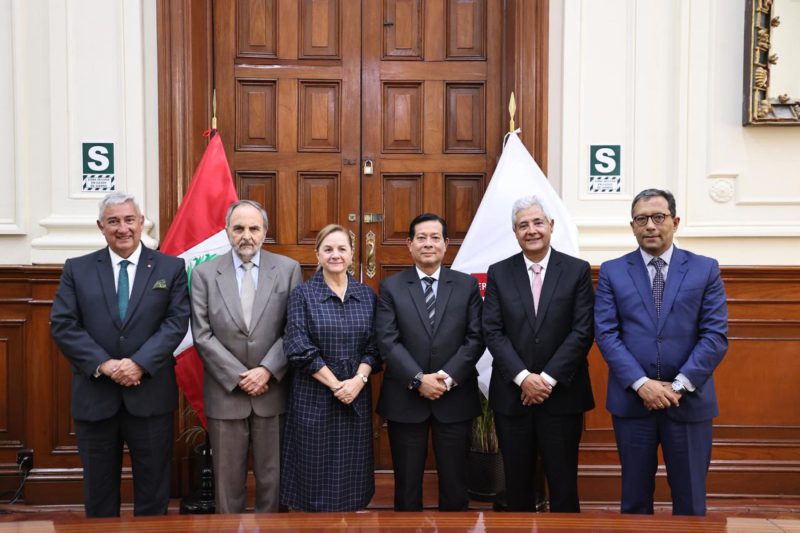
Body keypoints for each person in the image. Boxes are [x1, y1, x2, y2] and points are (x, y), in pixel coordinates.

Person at [50, 192, 190, 517]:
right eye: (113, 221)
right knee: (99, 495)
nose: (122, 228)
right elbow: (63, 325)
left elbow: (176, 323)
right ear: (101, 226)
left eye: (129, 220)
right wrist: (106, 365)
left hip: (150, 397)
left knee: (154, 494)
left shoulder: (170, 268)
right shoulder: (77, 269)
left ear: (142, 223)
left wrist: (140, 364)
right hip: (96, 397)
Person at [595, 188, 728, 516]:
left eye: (658, 217)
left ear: (675, 221)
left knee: (691, 500)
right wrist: (642, 384)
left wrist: (678, 385)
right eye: (642, 219)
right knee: (635, 500)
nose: (650, 226)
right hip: (633, 402)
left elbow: (714, 335)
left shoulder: (704, 269)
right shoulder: (613, 271)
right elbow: (607, 333)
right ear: (632, 226)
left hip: (689, 401)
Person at [482, 195, 595, 513]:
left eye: (537, 222)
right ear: (515, 232)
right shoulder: (499, 273)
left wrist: (544, 380)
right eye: (523, 225)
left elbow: (582, 331)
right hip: (513, 396)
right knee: (517, 488)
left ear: (551, 226)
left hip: (562, 396)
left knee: (563, 486)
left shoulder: (576, 271)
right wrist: (523, 379)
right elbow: (492, 331)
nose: (531, 230)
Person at [190, 199, 302, 513]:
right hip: (226, 391)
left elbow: (294, 328)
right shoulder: (204, 274)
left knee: (272, 477)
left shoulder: (288, 269)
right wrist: (240, 376)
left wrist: (266, 370)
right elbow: (202, 333)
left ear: (265, 232)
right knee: (227, 481)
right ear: (227, 231)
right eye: (238, 228)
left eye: (254, 228)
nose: (246, 235)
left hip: (273, 389)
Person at [376, 213, 484, 511]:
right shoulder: (391, 287)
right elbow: (387, 340)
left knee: (455, 485)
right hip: (406, 399)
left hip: (455, 398)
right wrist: (418, 379)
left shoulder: (466, 286)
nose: (428, 244)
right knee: (407, 488)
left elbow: (476, 338)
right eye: (421, 238)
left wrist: (447, 377)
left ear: (446, 244)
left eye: (435, 238)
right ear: (409, 245)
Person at [281, 224, 381, 511]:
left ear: (352, 255)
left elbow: (375, 347)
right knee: (313, 475)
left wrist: (357, 381)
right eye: (328, 249)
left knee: (351, 476)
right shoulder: (302, 295)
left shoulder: (367, 296)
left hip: (355, 395)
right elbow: (298, 346)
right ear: (317, 254)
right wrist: (337, 385)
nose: (335, 255)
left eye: (342, 249)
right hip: (315, 395)